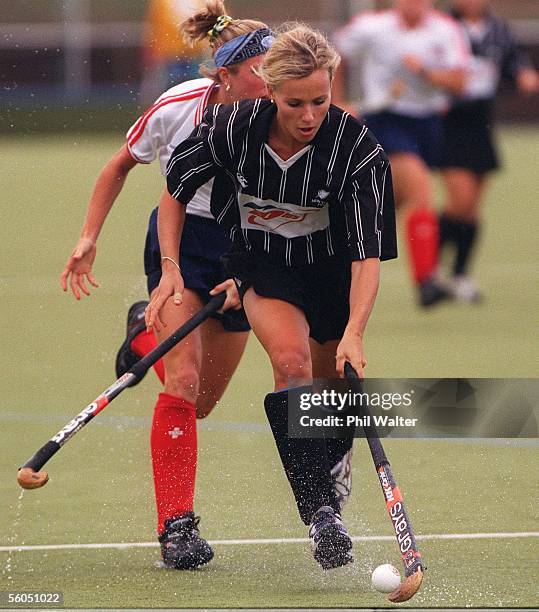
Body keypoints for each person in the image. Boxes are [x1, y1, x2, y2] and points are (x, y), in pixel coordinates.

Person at [145, 23, 397, 570]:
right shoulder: (230, 128)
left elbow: (365, 258)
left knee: (331, 397)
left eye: (320, 101)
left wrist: (354, 331)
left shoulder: (357, 150)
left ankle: (333, 465)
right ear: (269, 89)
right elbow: (174, 193)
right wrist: (168, 270)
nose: (309, 116)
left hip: (331, 273)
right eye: (295, 103)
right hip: (265, 268)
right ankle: (321, 518)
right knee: (290, 362)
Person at [60, 0, 273, 570]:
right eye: (263, 68)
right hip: (181, 244)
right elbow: (118, 166)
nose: (275, 79)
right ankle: (176, 527)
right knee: (180, 381)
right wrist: (88, 237)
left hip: (250, 248)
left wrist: (258, 263)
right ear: (226, 72)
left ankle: (139, 341)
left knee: (200, 402)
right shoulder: (176, 107)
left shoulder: (288, 114)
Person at [332, 0, 469, 307]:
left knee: (387, 203)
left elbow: (460, 82)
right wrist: (336, 101)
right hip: (387, 120)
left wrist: (424, 72)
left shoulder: (446, 30)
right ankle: (426, 283)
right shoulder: (372, 27)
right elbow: (334, 54)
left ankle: (339, 249)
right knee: (421, 189)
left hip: (429, 123)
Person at [437, 0, 539, 302]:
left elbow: (513, 61)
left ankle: (460, 274)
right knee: (460, 201)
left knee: (472, 207)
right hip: (451, 122)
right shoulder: (443, 27)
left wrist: (524, 74)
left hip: (482, 123)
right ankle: (431, 268)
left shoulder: (498, 29)